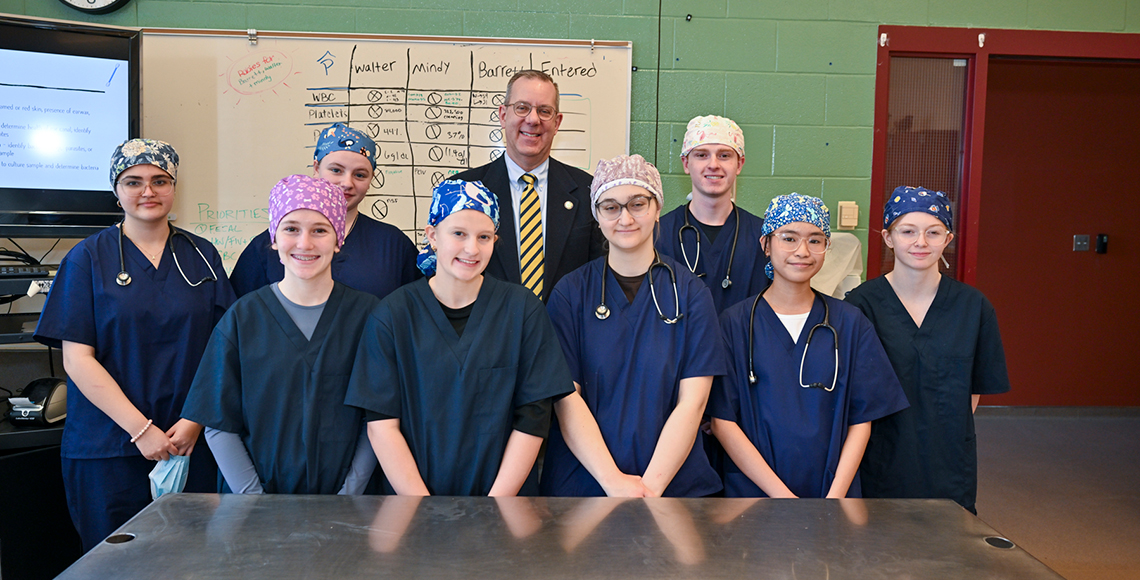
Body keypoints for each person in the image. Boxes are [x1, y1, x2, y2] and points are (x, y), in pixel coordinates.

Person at [33, 139, 235, 551]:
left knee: (193, 561)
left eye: (160, 180)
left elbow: (224, 349)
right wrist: (141, 430)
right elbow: (77, 359)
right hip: (109, 447)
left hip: (187, 442)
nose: (148, 191)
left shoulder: (201, 255)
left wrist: (195, 420)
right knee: (114, 563)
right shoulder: (87, 258)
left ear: (174, 187)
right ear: (116, 189)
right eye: (133, 181)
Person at [344, 179, 574, 496]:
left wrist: (496, 506)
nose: (472, 249)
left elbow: (534, 417)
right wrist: (421, 507)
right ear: (432, 235)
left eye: (484, 237)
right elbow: (382, 423)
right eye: (459, 234)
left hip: (505, 503)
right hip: (410, 504)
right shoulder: (393, 315)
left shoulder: (522, 311)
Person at [539, 154, 726, 498]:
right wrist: (613, 482)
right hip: (585, 487)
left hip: (673, 488)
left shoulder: (691, 294)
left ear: (657, 208)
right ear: (597, 216)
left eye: (637, 204)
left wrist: (649, 490)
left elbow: (693, 403)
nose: (625, 218)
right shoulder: (571, 294)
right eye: (611, 207)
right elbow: (567, 398)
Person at [182, 175, 380, 495]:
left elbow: (378, 418)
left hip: (348, 507)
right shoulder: (244, 318)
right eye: (291, 229)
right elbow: (218, 424)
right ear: (274, 237)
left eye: (320, 230)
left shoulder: (370, 317)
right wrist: (256, 503)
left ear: (338, 239)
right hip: (253, 505)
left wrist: (348, 498)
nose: (304, 243)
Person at [708, 193, 909, 499]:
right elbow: (722, 421)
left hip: (831, 493)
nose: (802, 251)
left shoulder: (850, 323)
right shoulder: (734, 324)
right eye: (789, 238)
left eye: (815, 240)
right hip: (754, 495)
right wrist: (784, 500)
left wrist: (834, 499)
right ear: (766, 245)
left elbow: (861, 420)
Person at [846, 186, 1011, 514]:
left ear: (948, 239)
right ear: (888, 237)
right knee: (878, 536)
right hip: (881, 456)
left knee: (947, 537)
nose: (920, 242)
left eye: (933, 232)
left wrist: (942, 428)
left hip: (947, 458)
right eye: (907, 231)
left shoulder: (973, 307)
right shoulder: (859, 306)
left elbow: (974, 390)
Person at [452, 70, 604, 301]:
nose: (533, 120)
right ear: (503, 115)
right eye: (522, 108)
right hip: (486, 323)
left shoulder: (588, 191)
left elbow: (599, 276)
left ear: (557, 123)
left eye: (544, 111)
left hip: (563, 324)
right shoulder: (462, 190)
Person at [229, 122, 419, 299]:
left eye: (360, 175)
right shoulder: (267, 246)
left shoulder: (393, 245)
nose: (347, 183)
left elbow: (416, 311)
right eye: (336, 170)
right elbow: (242, 314)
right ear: (316, 168)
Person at [657, 115, 769, 313]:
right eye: (702, 155)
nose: (713, 164)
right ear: (686, 163)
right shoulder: (659, 234)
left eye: (724, 155)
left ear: (739, 164)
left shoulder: (763, 237)